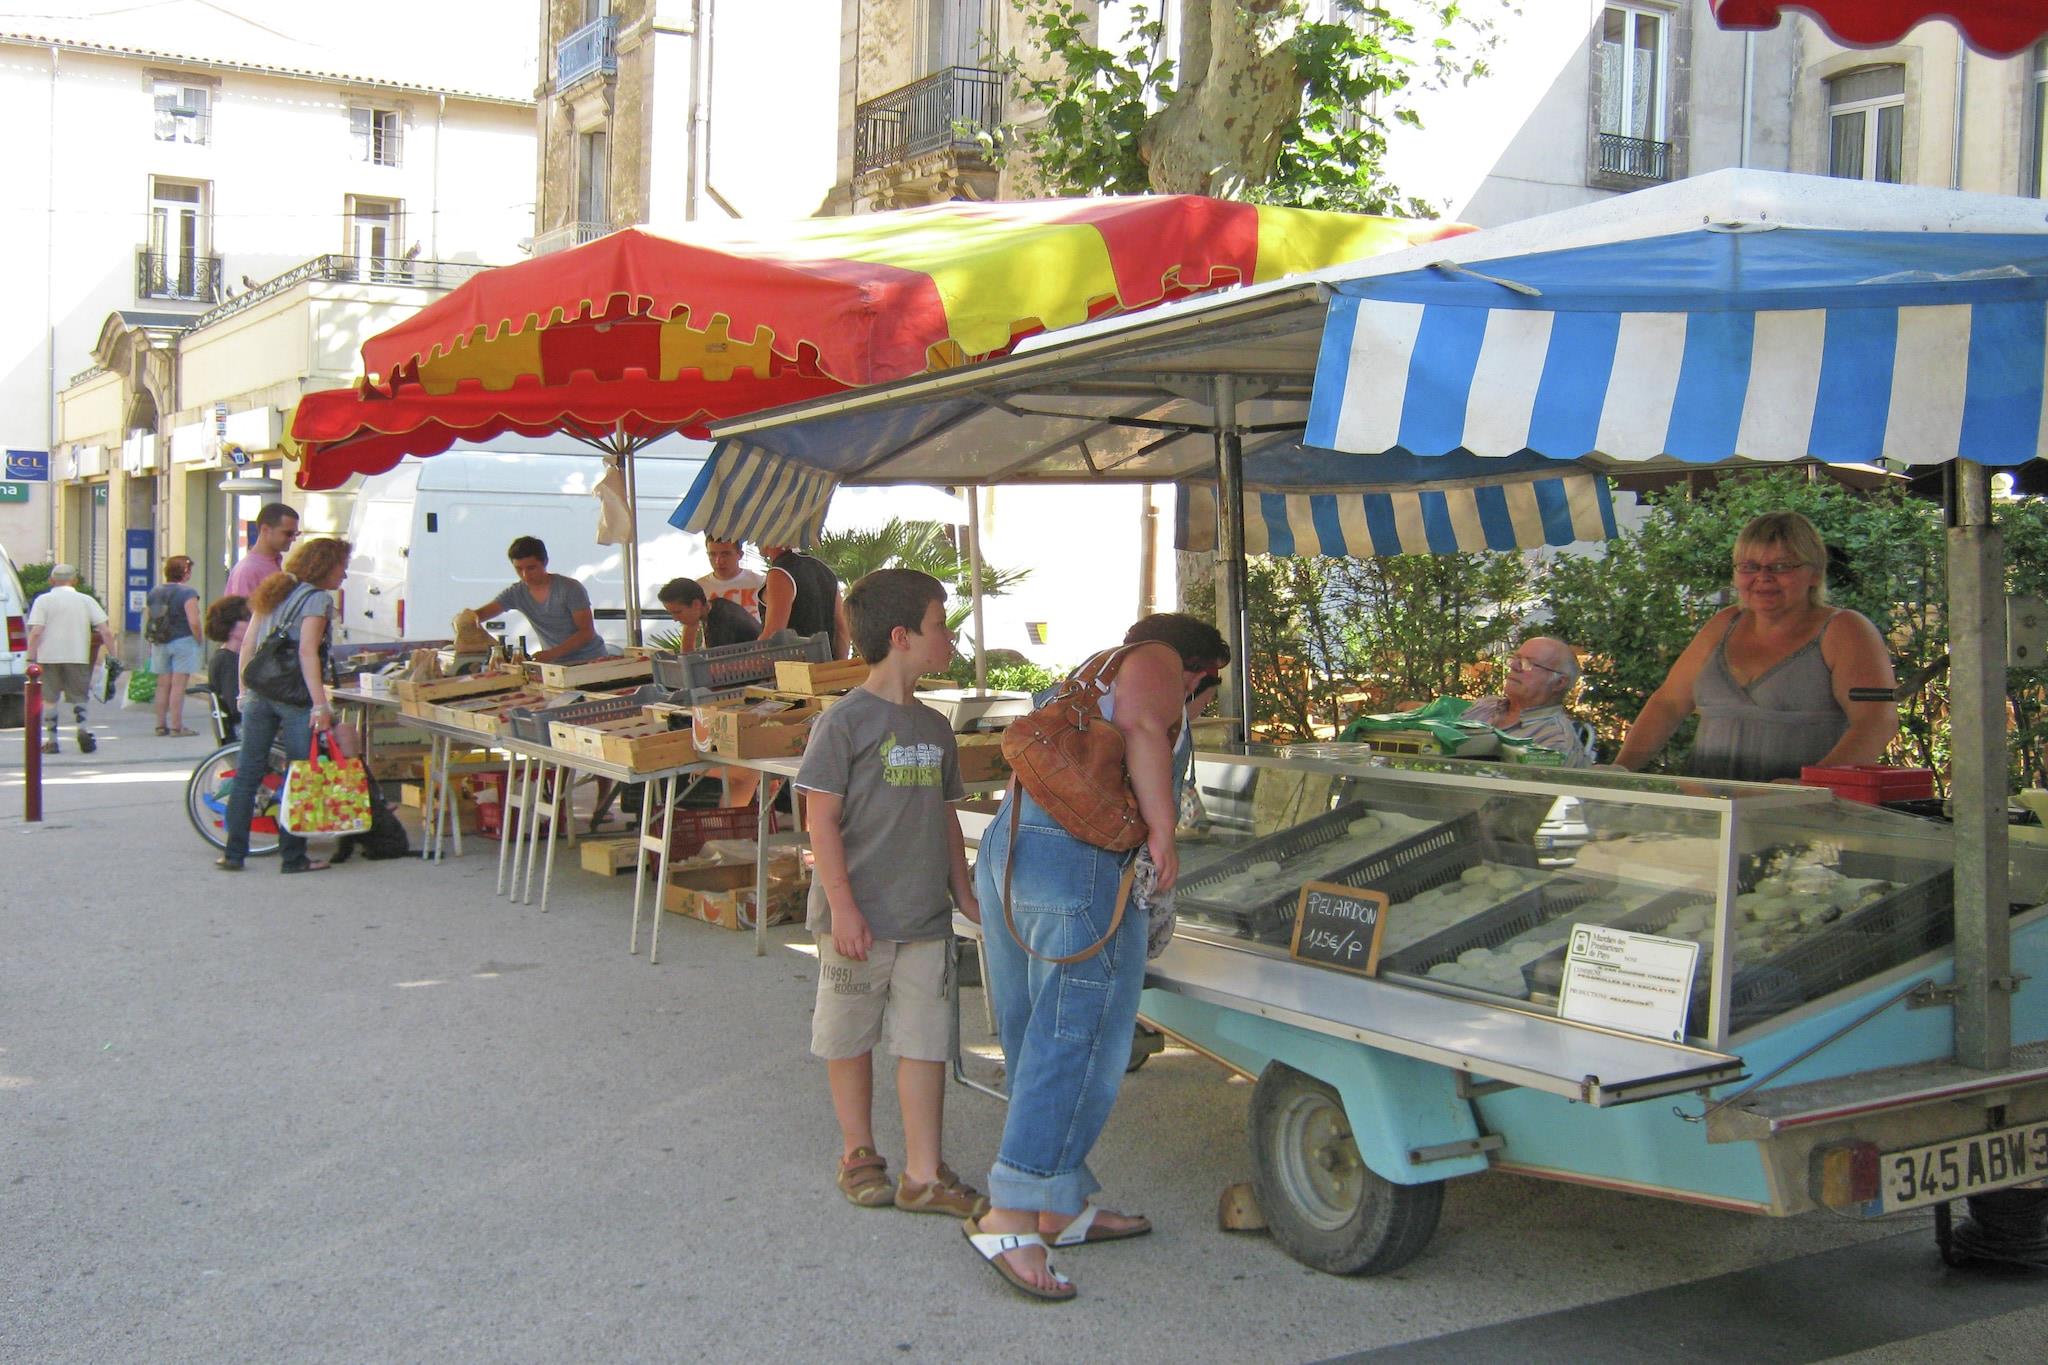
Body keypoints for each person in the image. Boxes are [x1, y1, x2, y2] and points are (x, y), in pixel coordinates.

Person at [966, 611, 1227, 1302]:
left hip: (1013, 850)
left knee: (1033, 1031)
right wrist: (1164, 833)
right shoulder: (1157, 661)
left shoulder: (1088, 674)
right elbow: (1141, 727)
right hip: (1076, 867)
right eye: (1206, 695)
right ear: (1198, 674)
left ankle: (1058, 1203)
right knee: (1076, 1040)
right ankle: (1010, 1216)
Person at [793, 569, 988, 1221]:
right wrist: (844, 909)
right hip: (856, 923)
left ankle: (924, 1173)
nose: (949, 637)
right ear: (902, 636)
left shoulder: (936, 726)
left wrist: (965, 894)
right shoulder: (842, 722)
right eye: (940, 625)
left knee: (925, 1041)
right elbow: (821, 821)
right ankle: (859, 1152)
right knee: (848, 1035)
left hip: (925, 917)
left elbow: (944, 816)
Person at [1613, 511, 1897, 782]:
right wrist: (1619, 771)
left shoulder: (1846, 629)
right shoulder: (1723, 624)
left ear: (1815, 573)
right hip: (1710, 808)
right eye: (1749, 567)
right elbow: (1668, 704)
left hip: (1804, 810)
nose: (1763, 576)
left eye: (1782, 566)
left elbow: (1876, 723)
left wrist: (1811, 787)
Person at [219, 537, 351, 874]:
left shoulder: (275, 588)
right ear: (324, 567)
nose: (344, 575)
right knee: (298, 775)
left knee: (248, 773)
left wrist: (243, 691)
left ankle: (233, 854)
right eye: (342, 567)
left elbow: (249, 643)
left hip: (259, 692)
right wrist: (320, 705)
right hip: (294, 699)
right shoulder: (318, 599)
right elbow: (307, 652)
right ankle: (293, 857)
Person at [468, 536, 609, 665]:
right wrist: (465, 620)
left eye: (531, 568)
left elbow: (586, 632)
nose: (525, 575)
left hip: (590, 660)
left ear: (545, 562)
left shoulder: (570, 588)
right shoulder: (516, 593)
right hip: (555, 664)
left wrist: (551, 654)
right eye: (519, 569)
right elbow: (480, 615)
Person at [25, 563, 118, 755]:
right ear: (75, 580)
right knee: (79, 696)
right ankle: (82, 729)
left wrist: (30, 657)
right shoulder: (86, 600)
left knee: (50, 698)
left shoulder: (43, 601)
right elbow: (105, 631)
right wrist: (113, 655)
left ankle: (52, 741)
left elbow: (36, 632)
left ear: (51, 581)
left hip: (49, 656)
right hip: (78, 656)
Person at [1463, 636, 1592, 767]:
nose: (1513, 666)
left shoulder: (1556, 742)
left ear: (1559, 683)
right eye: (1515, 659)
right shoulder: (1485, 705)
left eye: (1528, 663)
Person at [223, 502, 301, 651]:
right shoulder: (248, 569)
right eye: (288, 533)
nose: (293, 539)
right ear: (265, 530)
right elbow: (243, 623)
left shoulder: (273, 563)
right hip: (253, 654)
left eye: (296, 534)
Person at [146, 555, 205, 737]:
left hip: (160, 641)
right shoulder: (188, 593)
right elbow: (193, 621)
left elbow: (150, 618)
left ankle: (160, 725)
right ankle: (176, 726)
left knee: (162, 685)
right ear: (185, 573)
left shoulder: (155, 591)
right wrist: (199, 639)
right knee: (178, 685)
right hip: (183, 640)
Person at [758, 542, 849, 659]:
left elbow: (773, 635)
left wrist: (747, 663)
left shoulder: (780, 572)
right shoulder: (825, 570)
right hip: (825, 664)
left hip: (794, 666)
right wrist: (838, 665)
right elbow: (842, 631)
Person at [657, 576, 761, 651]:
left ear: (696, 604)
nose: (675, 619)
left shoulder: (721, 623)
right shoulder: (717, 605)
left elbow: (718, 669)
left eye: (678, 612)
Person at [204, 596, 252, 743]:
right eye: (247, 618)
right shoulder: (227, 661)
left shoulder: (226, 656)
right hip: (241, 730)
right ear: (231, 627)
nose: (252, 623)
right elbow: (235, 705)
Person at [699, 538, 765, 618]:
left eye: (725, 554)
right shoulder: (699, 588)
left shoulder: (760, 582)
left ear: (740, 554)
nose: (718, 561)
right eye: (712, 554)